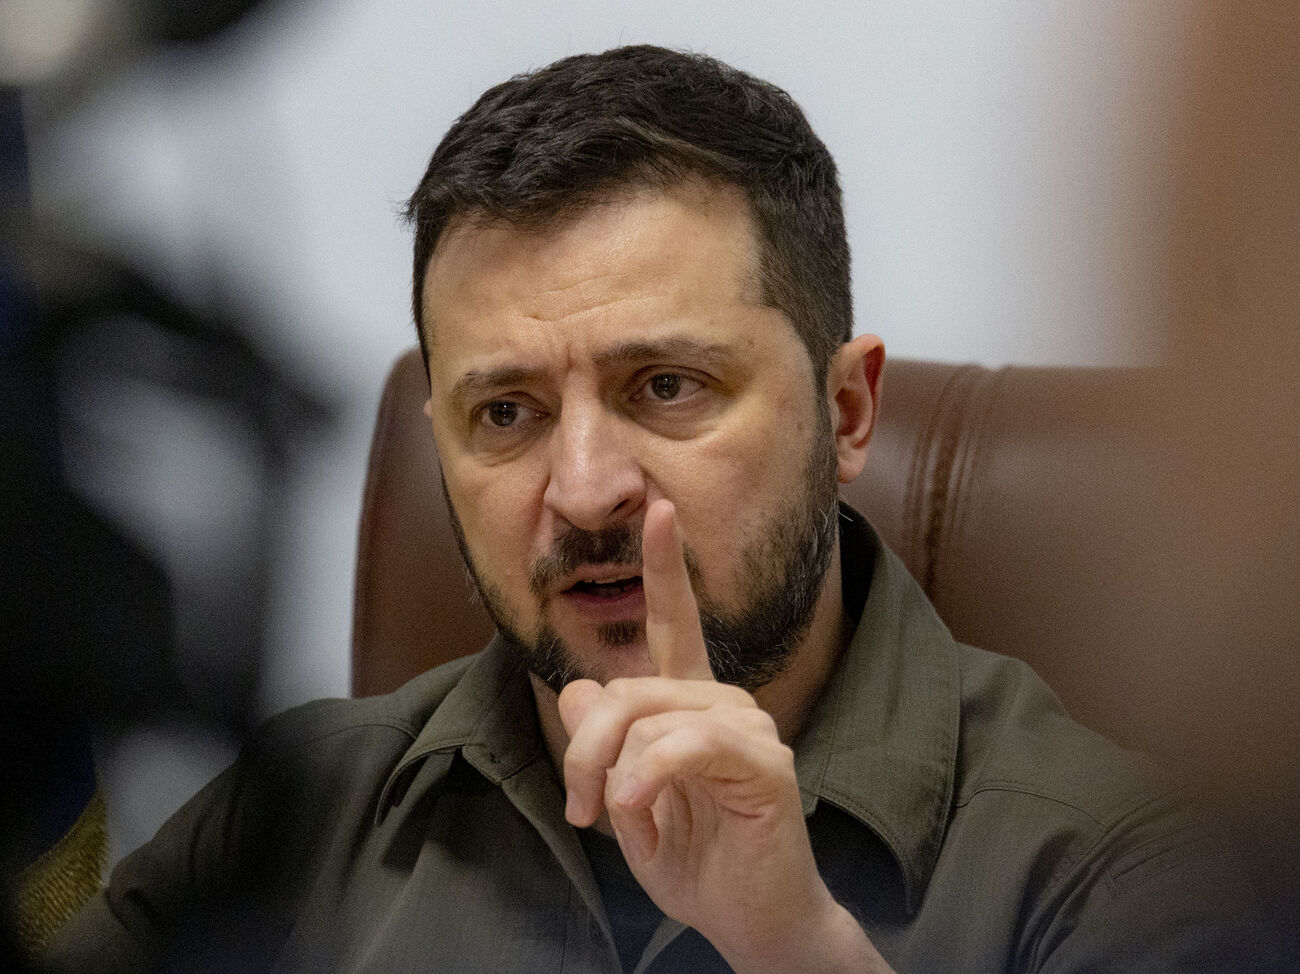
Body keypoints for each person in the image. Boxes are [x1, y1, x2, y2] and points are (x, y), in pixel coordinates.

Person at [44, 45, 1273, 973]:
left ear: (847, 411)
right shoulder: (295, 815)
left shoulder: (1119, 870)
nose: (585, 488)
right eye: (506, 412)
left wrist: (797, 950)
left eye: (666, 387)